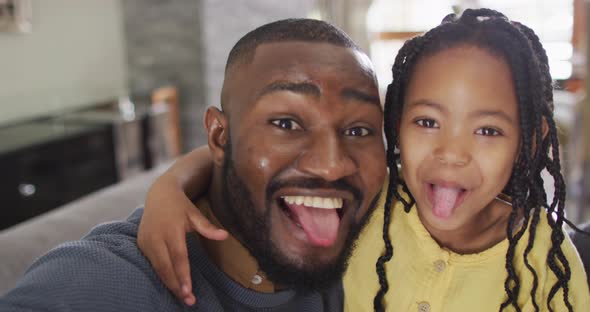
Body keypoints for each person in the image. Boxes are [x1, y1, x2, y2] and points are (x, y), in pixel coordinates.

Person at [137, 9, 590, 311]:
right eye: (428, 122)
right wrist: (171, 188)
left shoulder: (546, 261)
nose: (452, 153)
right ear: (395, 126)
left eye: (488, 131)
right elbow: (247, 160)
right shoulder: (372, 204)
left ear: (529, 142)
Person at [0, 18, 388, 311]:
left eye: (358, 130)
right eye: (286, 123)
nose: (332, 165)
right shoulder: (106, 280)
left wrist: (176, 179)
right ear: (220, 136)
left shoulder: (382, 241)